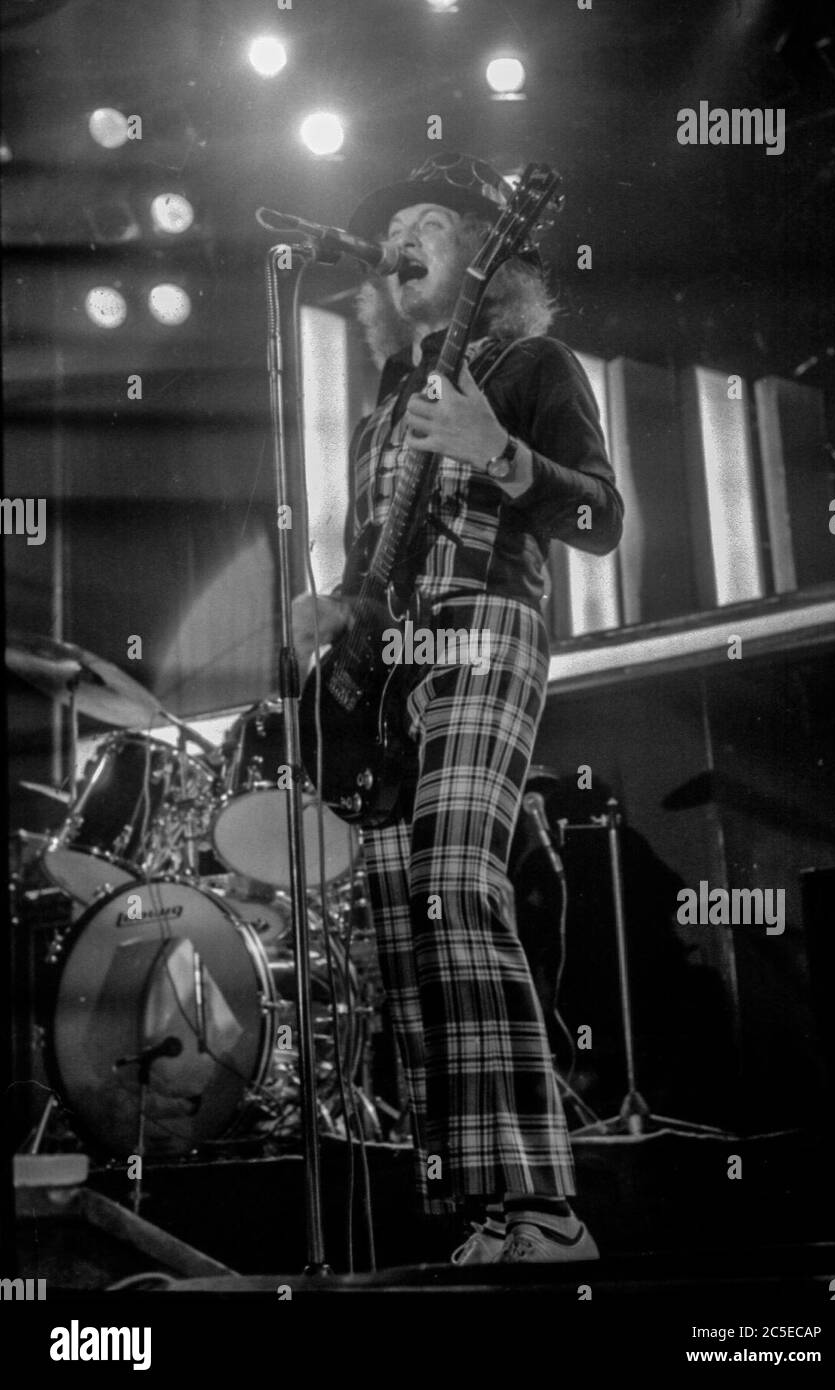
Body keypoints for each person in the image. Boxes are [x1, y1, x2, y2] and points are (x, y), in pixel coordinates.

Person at [292, 152, 624, 1263]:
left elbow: (602, 519)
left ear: (489, 249)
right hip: (387, 676)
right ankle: (476, 1212)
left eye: (432, 219)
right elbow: (367, 572)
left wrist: (503, 452)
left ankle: (542, 1201)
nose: (405, 237)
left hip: (487, 633)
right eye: (397, 228)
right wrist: (329, 611)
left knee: (454, 883)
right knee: (396, 919)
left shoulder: (532, 360)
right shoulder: (380, 410)